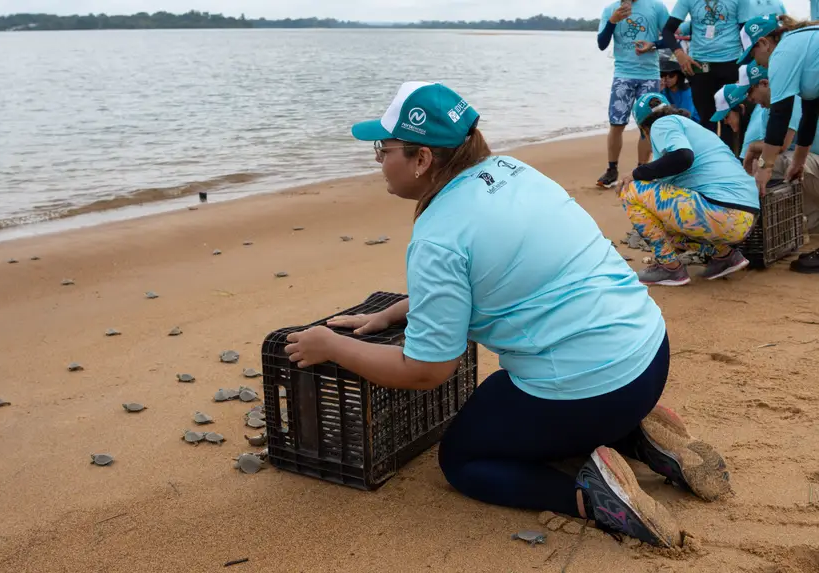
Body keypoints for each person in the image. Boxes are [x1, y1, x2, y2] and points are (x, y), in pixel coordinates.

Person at [283, 81, 731, 547]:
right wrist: (397, 311)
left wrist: (331, 345)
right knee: (509, 392)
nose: (379, 160)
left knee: (462, 460)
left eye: (385, 148)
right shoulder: (513, 171)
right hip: (649, 353)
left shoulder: (439, 235)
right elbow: (498, 271)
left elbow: (426, 370)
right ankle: (636, 437)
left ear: (421, 160)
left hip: (595, 388)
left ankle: (592, 496)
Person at [618, 92, 759, 286]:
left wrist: (637, 173)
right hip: (744, 218)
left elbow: (683, 157)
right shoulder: (691, 128)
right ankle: (725, 256)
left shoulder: (662, 124)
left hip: (721, 211)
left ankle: (669, 268)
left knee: (630, 190)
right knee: (661, 222)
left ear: (644, 129)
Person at [742, 62, 819, 273]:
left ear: (765, 83)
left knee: (776, 162)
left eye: (750, 92)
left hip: (813, 161)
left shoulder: (789, 97)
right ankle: (783, 237)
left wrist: (752, 150)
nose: (750, 100)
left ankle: (768, 237)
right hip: (812, 163)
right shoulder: (767, 111)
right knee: (812, 227)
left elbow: (781, 144)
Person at [737, 15, 819, 200]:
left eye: (752, 54)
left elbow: (780, 113)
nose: (756, 62)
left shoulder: (782, 52)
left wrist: (765, 168)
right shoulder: (798, 44)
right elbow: (810, 113)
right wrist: (799, 162)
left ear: (764, 42)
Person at [596, 0, 671, 188]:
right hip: (623, 74)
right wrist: (612, 21)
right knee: (616, 123)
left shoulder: (656, 7)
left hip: (649, 75)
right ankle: (612, 170)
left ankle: (642, 169)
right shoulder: (610, 10)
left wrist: (652, 44)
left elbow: (671, 37)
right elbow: (601, 44)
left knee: (648, 125)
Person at [661, 0, 746, 149]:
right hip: (700, 67)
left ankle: (731, 165)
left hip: (731, 64)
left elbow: (746, 32)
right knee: (706, 122)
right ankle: (710, 165)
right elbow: (668, 30)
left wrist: (747, 67)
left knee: (731, 122)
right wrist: (679, 53)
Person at [660, 53, 702, 122]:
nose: (667, 79)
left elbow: (686, 116)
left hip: (693, 123)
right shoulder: (664, 91)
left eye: (671, 75)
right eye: (663, 75)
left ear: (679, 76)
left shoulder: (687, 92)